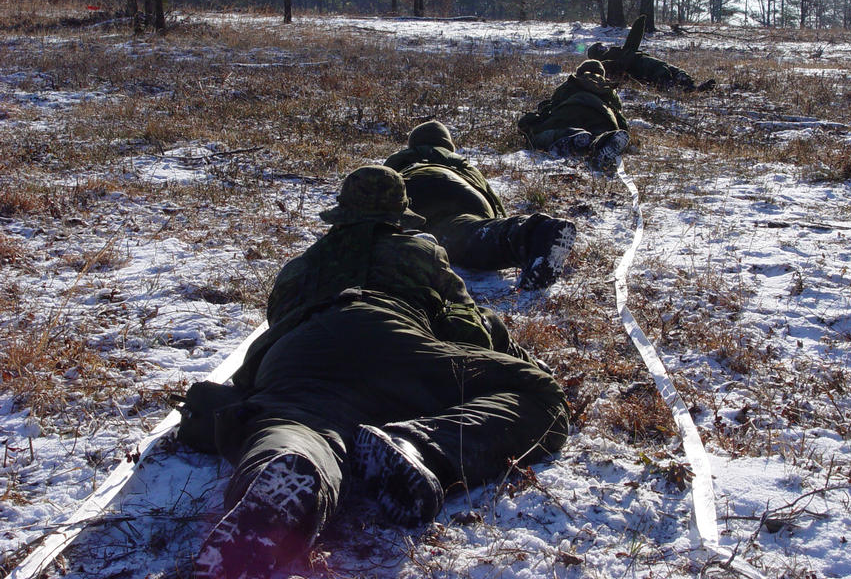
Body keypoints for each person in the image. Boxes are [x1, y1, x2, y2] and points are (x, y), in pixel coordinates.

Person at [182, 166, 569, 579]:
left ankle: (285, 461)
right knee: (540, 395)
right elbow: (467, 328)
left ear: (340, 213)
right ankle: (417, 447)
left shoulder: (298, 266)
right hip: (394, 340)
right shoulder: (421, 251)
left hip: (296, 351)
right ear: (399, 214)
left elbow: (278, 320)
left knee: (294, 421)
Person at [383, 120, 576, 290]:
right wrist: (497, 223)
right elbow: (492, 197)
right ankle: (533, 233)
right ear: (447, 144)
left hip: (413, 189)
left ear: (413, 143)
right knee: (469, 233)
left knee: (389, 237)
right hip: (465, 193)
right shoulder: (461, 162)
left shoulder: (400, 158)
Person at [517, 59, 630, 171]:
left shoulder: (571, 83)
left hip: (569, 111)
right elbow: (619, 117)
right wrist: (620, 129)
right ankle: (603, 141)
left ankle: (572, 135)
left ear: (579, 72)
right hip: (604, 117)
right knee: (599, 134)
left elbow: (553, 106)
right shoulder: (609, 89)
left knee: (537, 138)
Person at [587, 15, 714, 91]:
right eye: (600, 49)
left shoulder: (615, 52)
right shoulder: (604, 65)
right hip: (643, 68)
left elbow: (632, 42)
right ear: (596, 55)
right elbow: (617, 72)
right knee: (664, 78)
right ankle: (686, 90)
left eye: (602, 46)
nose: (604, 48)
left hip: (647, 61)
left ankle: (692, 86)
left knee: (675, 71)